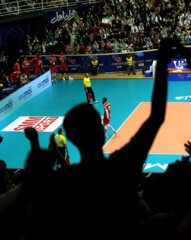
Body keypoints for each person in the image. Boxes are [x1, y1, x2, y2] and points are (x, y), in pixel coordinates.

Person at [53, 39, 177, 225]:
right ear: (100, 132)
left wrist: (51, 150)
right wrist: (161, 66)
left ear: (70, 138)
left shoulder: (67, 182)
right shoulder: (122, 165)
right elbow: (156, 117)